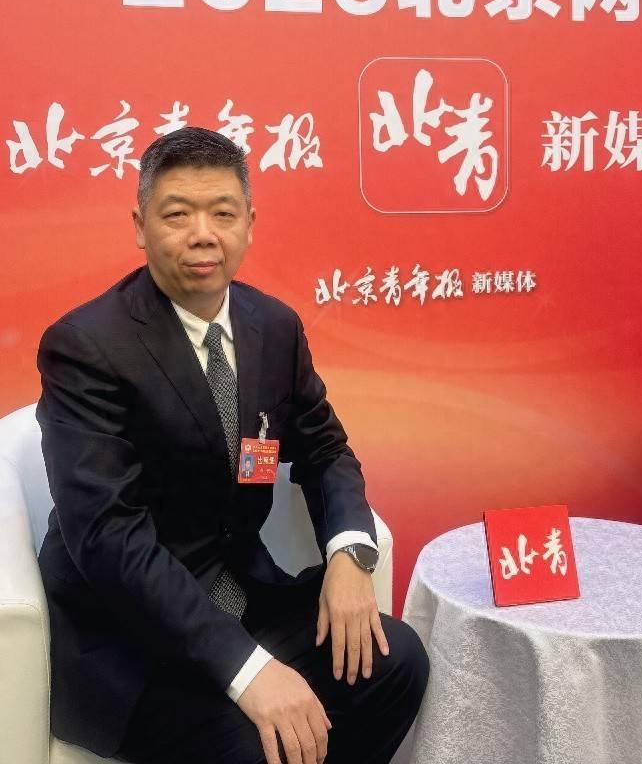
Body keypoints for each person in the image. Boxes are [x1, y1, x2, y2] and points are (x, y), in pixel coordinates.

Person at [36, 128, 429, 764]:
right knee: (252, 747)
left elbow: (326, 450)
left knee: (397, 661)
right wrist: (249, 671)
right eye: (177, 214)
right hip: (131, 637)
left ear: (249, 223)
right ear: (140, 226)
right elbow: (109, 538)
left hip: (242, 593)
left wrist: (351, 557)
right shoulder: (86, 347)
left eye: (222, 213)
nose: (203, 234)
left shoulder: (273, 326)